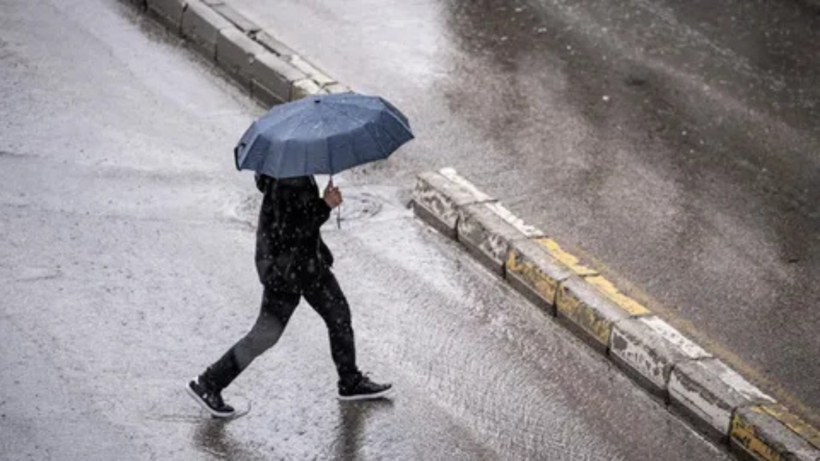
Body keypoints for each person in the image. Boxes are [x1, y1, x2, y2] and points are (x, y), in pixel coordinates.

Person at [186, 173, 392, 418]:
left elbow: (298, 219)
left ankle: (350, 381)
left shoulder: (292, 171)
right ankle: (208, 383)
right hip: (285, 270)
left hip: (308, 264)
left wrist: (320, 205)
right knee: (265, 335)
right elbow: (291, 231)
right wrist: (325, 205)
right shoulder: (286, 179)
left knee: (339, 315)